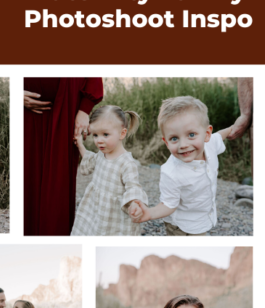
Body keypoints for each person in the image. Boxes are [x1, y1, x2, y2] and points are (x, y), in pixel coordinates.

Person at [131, 96, 233, 236]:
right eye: (174, 138)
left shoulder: (210, 145)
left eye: (191, 134)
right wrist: (149, 213)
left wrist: (236, 127)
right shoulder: (171, 172)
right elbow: (168, 204)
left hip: (202, 218)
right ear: (166, 142)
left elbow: (221, 135)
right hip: (181, 226)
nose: (183, 145)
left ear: (206, 134)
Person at [24, 78, 104, 236]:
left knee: (58, 185)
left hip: (67, 111)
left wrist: (84, 110)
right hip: (27, 113)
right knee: (27, 180)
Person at [71, 105, 148, 237]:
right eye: (95, 135)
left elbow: (133, 187)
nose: (99, 140)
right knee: (92, 231)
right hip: (96, 209)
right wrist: (80, 145)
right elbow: (90, 159)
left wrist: (135, 203)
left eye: (105, 134)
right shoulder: (102, 153)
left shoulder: (126, 162)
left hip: (113, 216)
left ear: (122, 133)